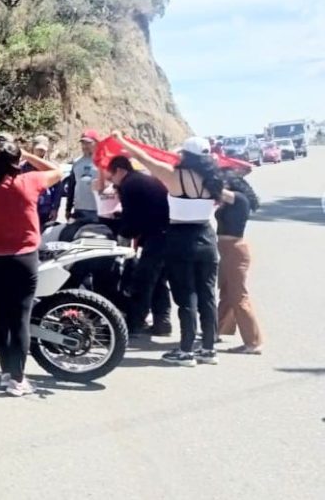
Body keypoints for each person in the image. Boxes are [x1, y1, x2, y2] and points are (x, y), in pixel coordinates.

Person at [112, 132, 222, 366]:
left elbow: (144, 157)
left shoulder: (175, 176)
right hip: (208, 237)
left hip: (182, 238)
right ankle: (209, 349)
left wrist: (121, 140)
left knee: (186, 295)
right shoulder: (215, 179)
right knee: (207, 294)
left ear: (185, 155)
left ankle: (185, 350)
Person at [0, 140, 64, 396]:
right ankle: (18, 380)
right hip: (23, 259)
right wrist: (28, 155)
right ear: (17, 162)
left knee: (0, 317)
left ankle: (6, 373)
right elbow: (58, 171)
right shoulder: (29, 181)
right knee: (20, 318)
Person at [104, 155, 172, 337]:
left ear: (119, 171)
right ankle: (162, 323)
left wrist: (122, 236)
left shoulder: (129, 185)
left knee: (143, 280)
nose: (112, 182)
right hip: (167, 233)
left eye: (111, 177)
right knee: (158, 281)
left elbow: (132, 217)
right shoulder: (142, 180)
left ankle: (135, 324)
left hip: (157, 236)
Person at [217, 173, 264, 354]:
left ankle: (253, 342)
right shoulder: (232, 201)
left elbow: (214, 191)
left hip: (235, 251)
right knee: (227, 292)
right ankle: (218, 330)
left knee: (239, 297)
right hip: (227, 250)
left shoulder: (239, 199)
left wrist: (202, 174)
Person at [21, 135, 63, 225]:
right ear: (32, 149)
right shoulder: (23, 167)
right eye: (38, 150)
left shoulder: (53, 167)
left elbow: (58, 190)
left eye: (43, 150)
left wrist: (55, 208)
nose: (41, 153)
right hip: (28, 209)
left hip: (46, 209)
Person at [65, 130, 101, 223]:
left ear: (96, 143)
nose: (85, 146)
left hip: (98, 210)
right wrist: (68, 208)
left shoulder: (103, 162)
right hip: (80, 209)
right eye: (83, 143)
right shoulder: (77, 163)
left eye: (88, 143)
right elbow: (71, 186)